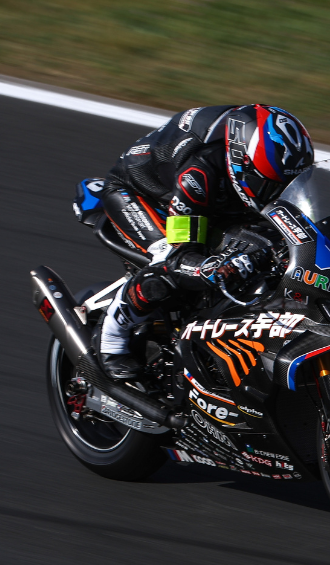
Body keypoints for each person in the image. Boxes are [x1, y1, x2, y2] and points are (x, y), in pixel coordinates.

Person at [94, 104, 315, 379]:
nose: (277, 193)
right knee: (168, 265)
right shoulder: (198, 174)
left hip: (214, 198)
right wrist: (215, 268)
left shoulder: (261, 155)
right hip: (141, 195)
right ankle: (111, 341)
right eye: (270, 184)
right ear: (241, 163)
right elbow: (181, 255)